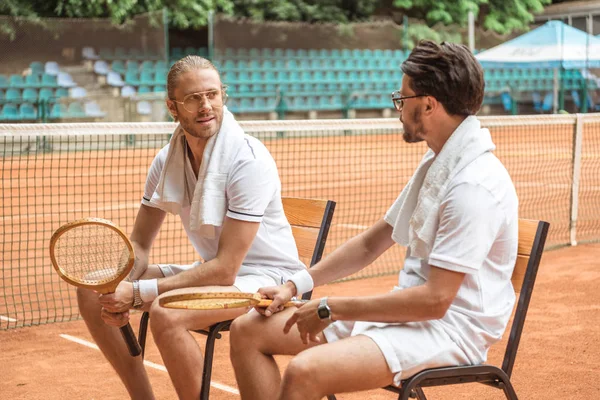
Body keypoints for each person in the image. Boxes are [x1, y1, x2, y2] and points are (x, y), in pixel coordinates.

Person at [229, 40, 519, 400]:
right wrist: (294, 285)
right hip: (407, 315)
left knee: (306, 372)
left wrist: (331, 307)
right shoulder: (438, 163)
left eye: (402, 99)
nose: (397, 108)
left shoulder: (472, 186)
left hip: (448, 332)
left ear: (429, 104)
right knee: (246, 331)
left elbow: (435, 301)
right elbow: (372, 242)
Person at [77, 55, 306, 400]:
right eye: (193, 98)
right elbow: (139, 243)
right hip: (213, 274)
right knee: (92, 290)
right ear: (172, 107)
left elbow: (226, 269)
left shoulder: (248, 160)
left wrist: (137, 293)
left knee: (166, 312)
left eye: (212, 94)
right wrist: (119, 291)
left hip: (268, 279)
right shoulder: (167, 159)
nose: (205, 106)